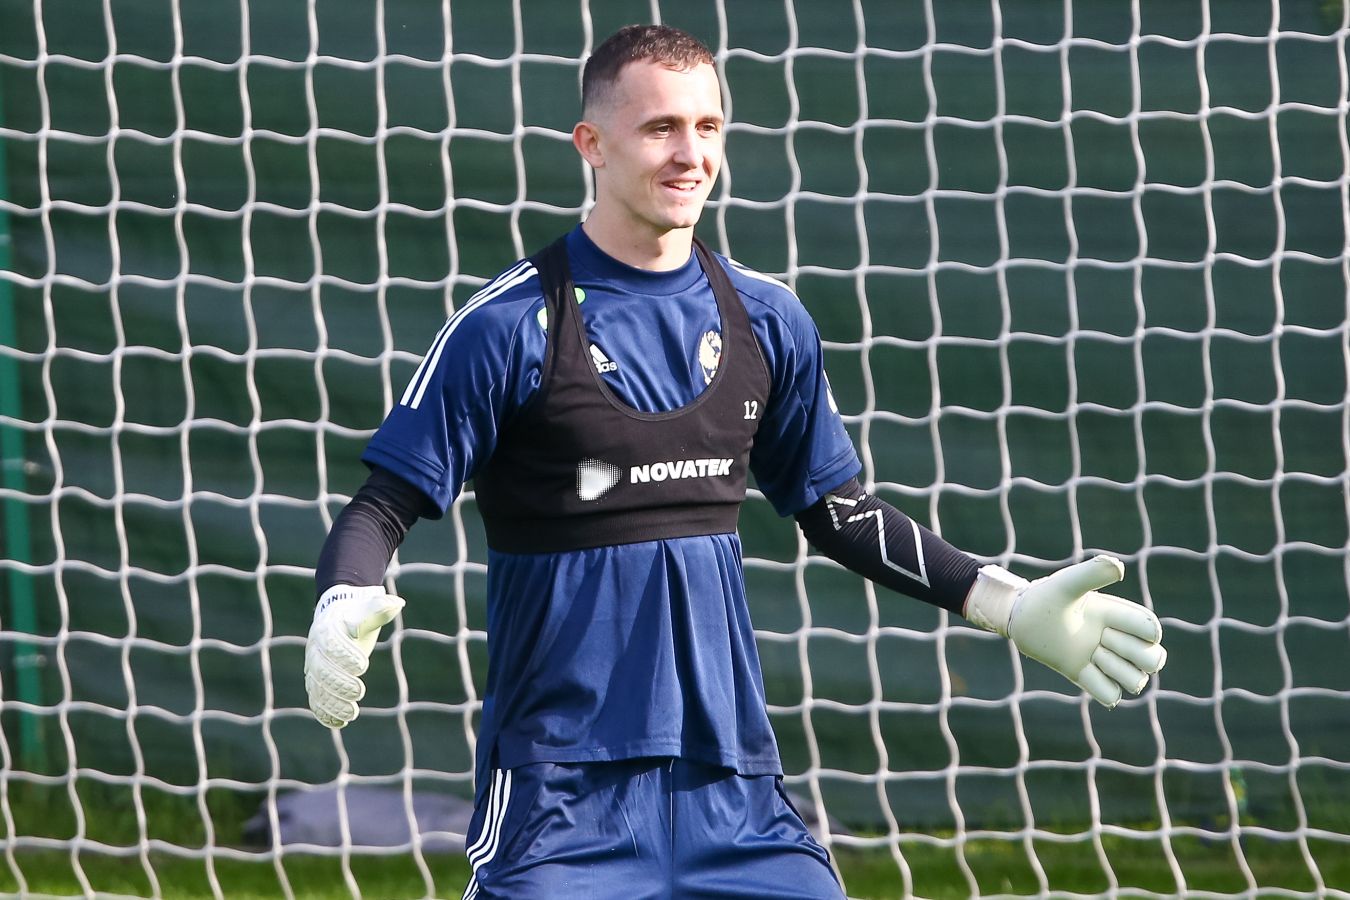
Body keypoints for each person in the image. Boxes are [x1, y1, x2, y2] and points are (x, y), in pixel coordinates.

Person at [303, 24, 1167, 899]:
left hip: (735, 791)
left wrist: (1007, 605)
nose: (691, 155)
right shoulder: (510, 325)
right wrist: (344, 596)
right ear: (591, 144)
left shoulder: (768, 319)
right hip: (558, 796)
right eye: (661, 128)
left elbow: (840, 513)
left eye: (708, 127)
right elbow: (383, 505)